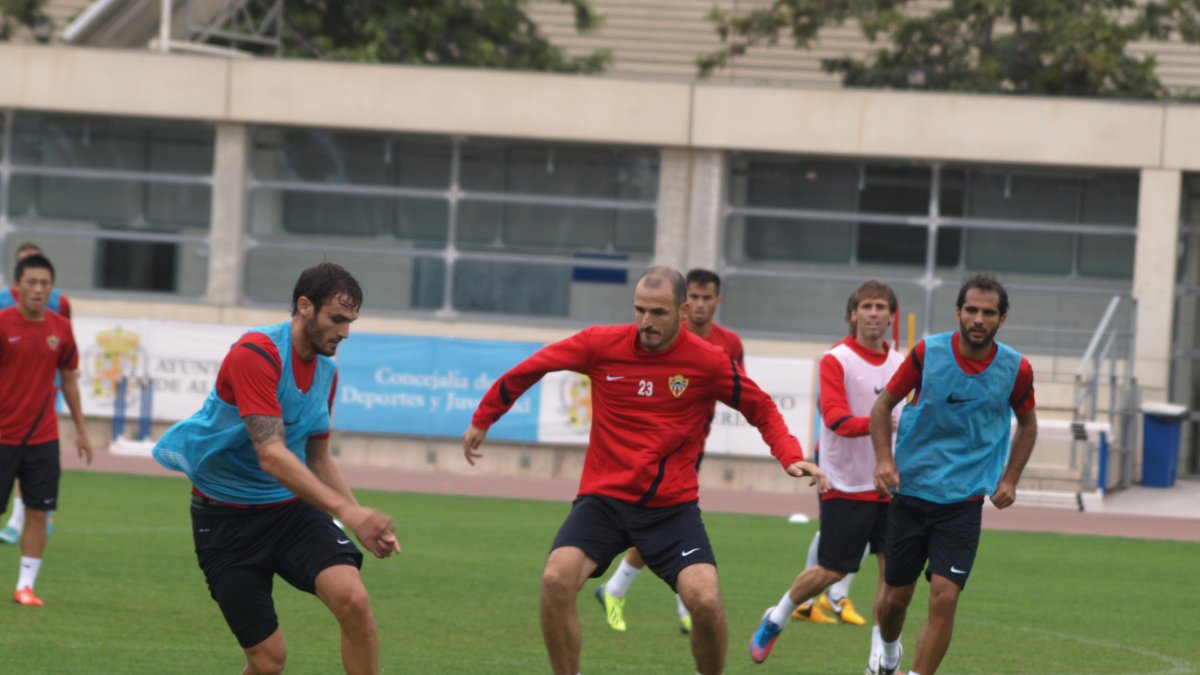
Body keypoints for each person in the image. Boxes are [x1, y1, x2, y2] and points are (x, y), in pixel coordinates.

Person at [462, 266, 827, 675]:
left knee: (705, 602)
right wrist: (484, 417)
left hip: (670, 508)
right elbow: (533, 366)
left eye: (657, 312)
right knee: (555, 580)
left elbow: (760, 407)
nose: (646, 322)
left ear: (683, 311)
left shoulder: (707, 361)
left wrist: (788, 454)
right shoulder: (601, 344)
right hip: (603, 501)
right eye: (639, 310)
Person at [152, 262, 400, 675]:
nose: (345, 332)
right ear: (305, 306)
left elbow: (318, 458)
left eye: (351, 322)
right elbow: (271, 453)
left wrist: (356, 518)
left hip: (290, 512)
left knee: (353, 601)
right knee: (268, 663)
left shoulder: (326, 373)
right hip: (225, 520)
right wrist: (351, 512)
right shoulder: (257, 354)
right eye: (337, 319)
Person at [866, 273, 1037, 675]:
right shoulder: (928, 353)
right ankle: (889, 653)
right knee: (895, 599)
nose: (979, 319)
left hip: (963, 502)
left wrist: (1010, 478)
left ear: (1002, 319)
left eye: (989, 312)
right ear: (958, 312)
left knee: (945, 597)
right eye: (972, 310)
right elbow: (882, 407)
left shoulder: (1016, 368)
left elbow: (1028, 425)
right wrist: (884, 460)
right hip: (911, 493)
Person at [749, 280, 905, 665]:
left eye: (880, 307)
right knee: (833, 570)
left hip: (888, 483)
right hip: (845, 482)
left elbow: (911, 418)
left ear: (890, 316)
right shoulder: (836, 359)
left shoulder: (901, 364)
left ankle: (883, 659)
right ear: (852, 314)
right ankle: (778, 615)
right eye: (866, 306)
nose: (873, 313)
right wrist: (882, 421)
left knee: (895, 577)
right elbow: (835, 418)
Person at [593, 267, 744, 636]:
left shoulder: (730, 344)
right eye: (695, 297)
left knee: (662, 522)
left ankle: (615, 588)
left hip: (694, 443)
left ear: (717, 301)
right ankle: (683, 604)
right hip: (654, 448)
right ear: (683, 303)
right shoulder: (661, 334)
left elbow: (737, 389)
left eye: (709, 298)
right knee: (665, 521)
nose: (701, 305)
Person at [0, 253, 92, 606]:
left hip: (42, 438)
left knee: (40, 510)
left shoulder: (60, 329)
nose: (38, 290)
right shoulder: (4, 324)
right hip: (3, 436)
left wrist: (81, 430)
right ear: (17, 287)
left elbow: (69, 379)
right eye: (32, 283)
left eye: (44, 284)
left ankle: (25, 586)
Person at [0, 242, 71, 545]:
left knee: (33, 453)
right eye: (30, 276)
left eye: (44, 279)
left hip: (43, 393)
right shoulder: (3, 303)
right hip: (8, 400)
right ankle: (19, 518)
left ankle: (21, 520)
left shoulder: (61, 306)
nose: (38, 287)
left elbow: (67, 346)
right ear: (17, 279)